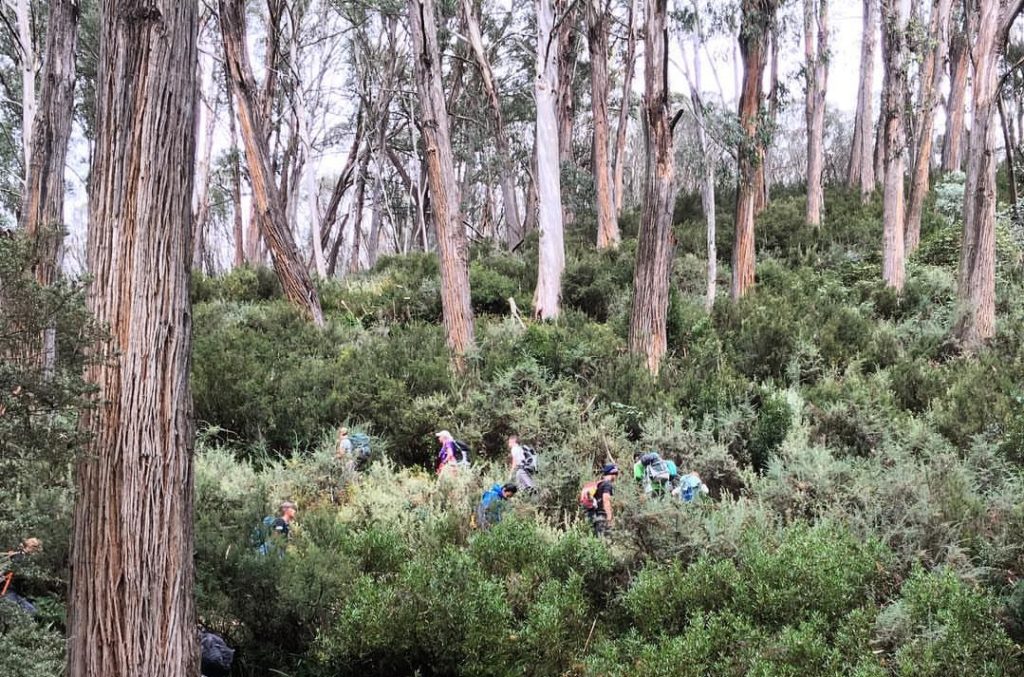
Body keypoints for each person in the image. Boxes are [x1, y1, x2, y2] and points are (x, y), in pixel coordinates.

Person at [586, 464, 619, 537]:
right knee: (603, 540)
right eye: (616, 474)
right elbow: (606, 500)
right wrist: (609, 517)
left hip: (594, 515)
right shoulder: (607, 484)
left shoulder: (599, 484)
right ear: (613, 474)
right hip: (602, 517)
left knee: (596, 539)